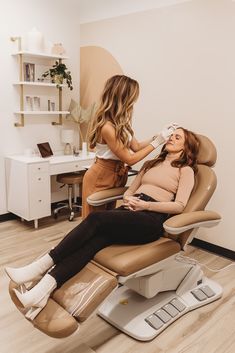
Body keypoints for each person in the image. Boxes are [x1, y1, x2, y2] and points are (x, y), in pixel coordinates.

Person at [5, 127, 199, 320]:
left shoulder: (186, 170)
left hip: (151, 219)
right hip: (132, 210)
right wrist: (130, 200)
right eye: (171, 135)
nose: (171, 138)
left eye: (177, 136)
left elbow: (180, 206)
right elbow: (129, 191)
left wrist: (146, 205)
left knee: (95, 219)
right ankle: (42, 291)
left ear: (187, 146)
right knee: (94, 241)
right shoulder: (150, 163)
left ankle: (40, 266)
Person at [82, 74, 178, 218]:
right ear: (122, 97)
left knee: (108, 219)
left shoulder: (121, 123)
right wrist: (157, 142)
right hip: (100, 176)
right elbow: (130, 159)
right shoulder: (107, 127)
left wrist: (159, 135)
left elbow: (137, 146)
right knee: (93, 219)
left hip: (117, 174)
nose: (134, 101)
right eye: (132, 97)